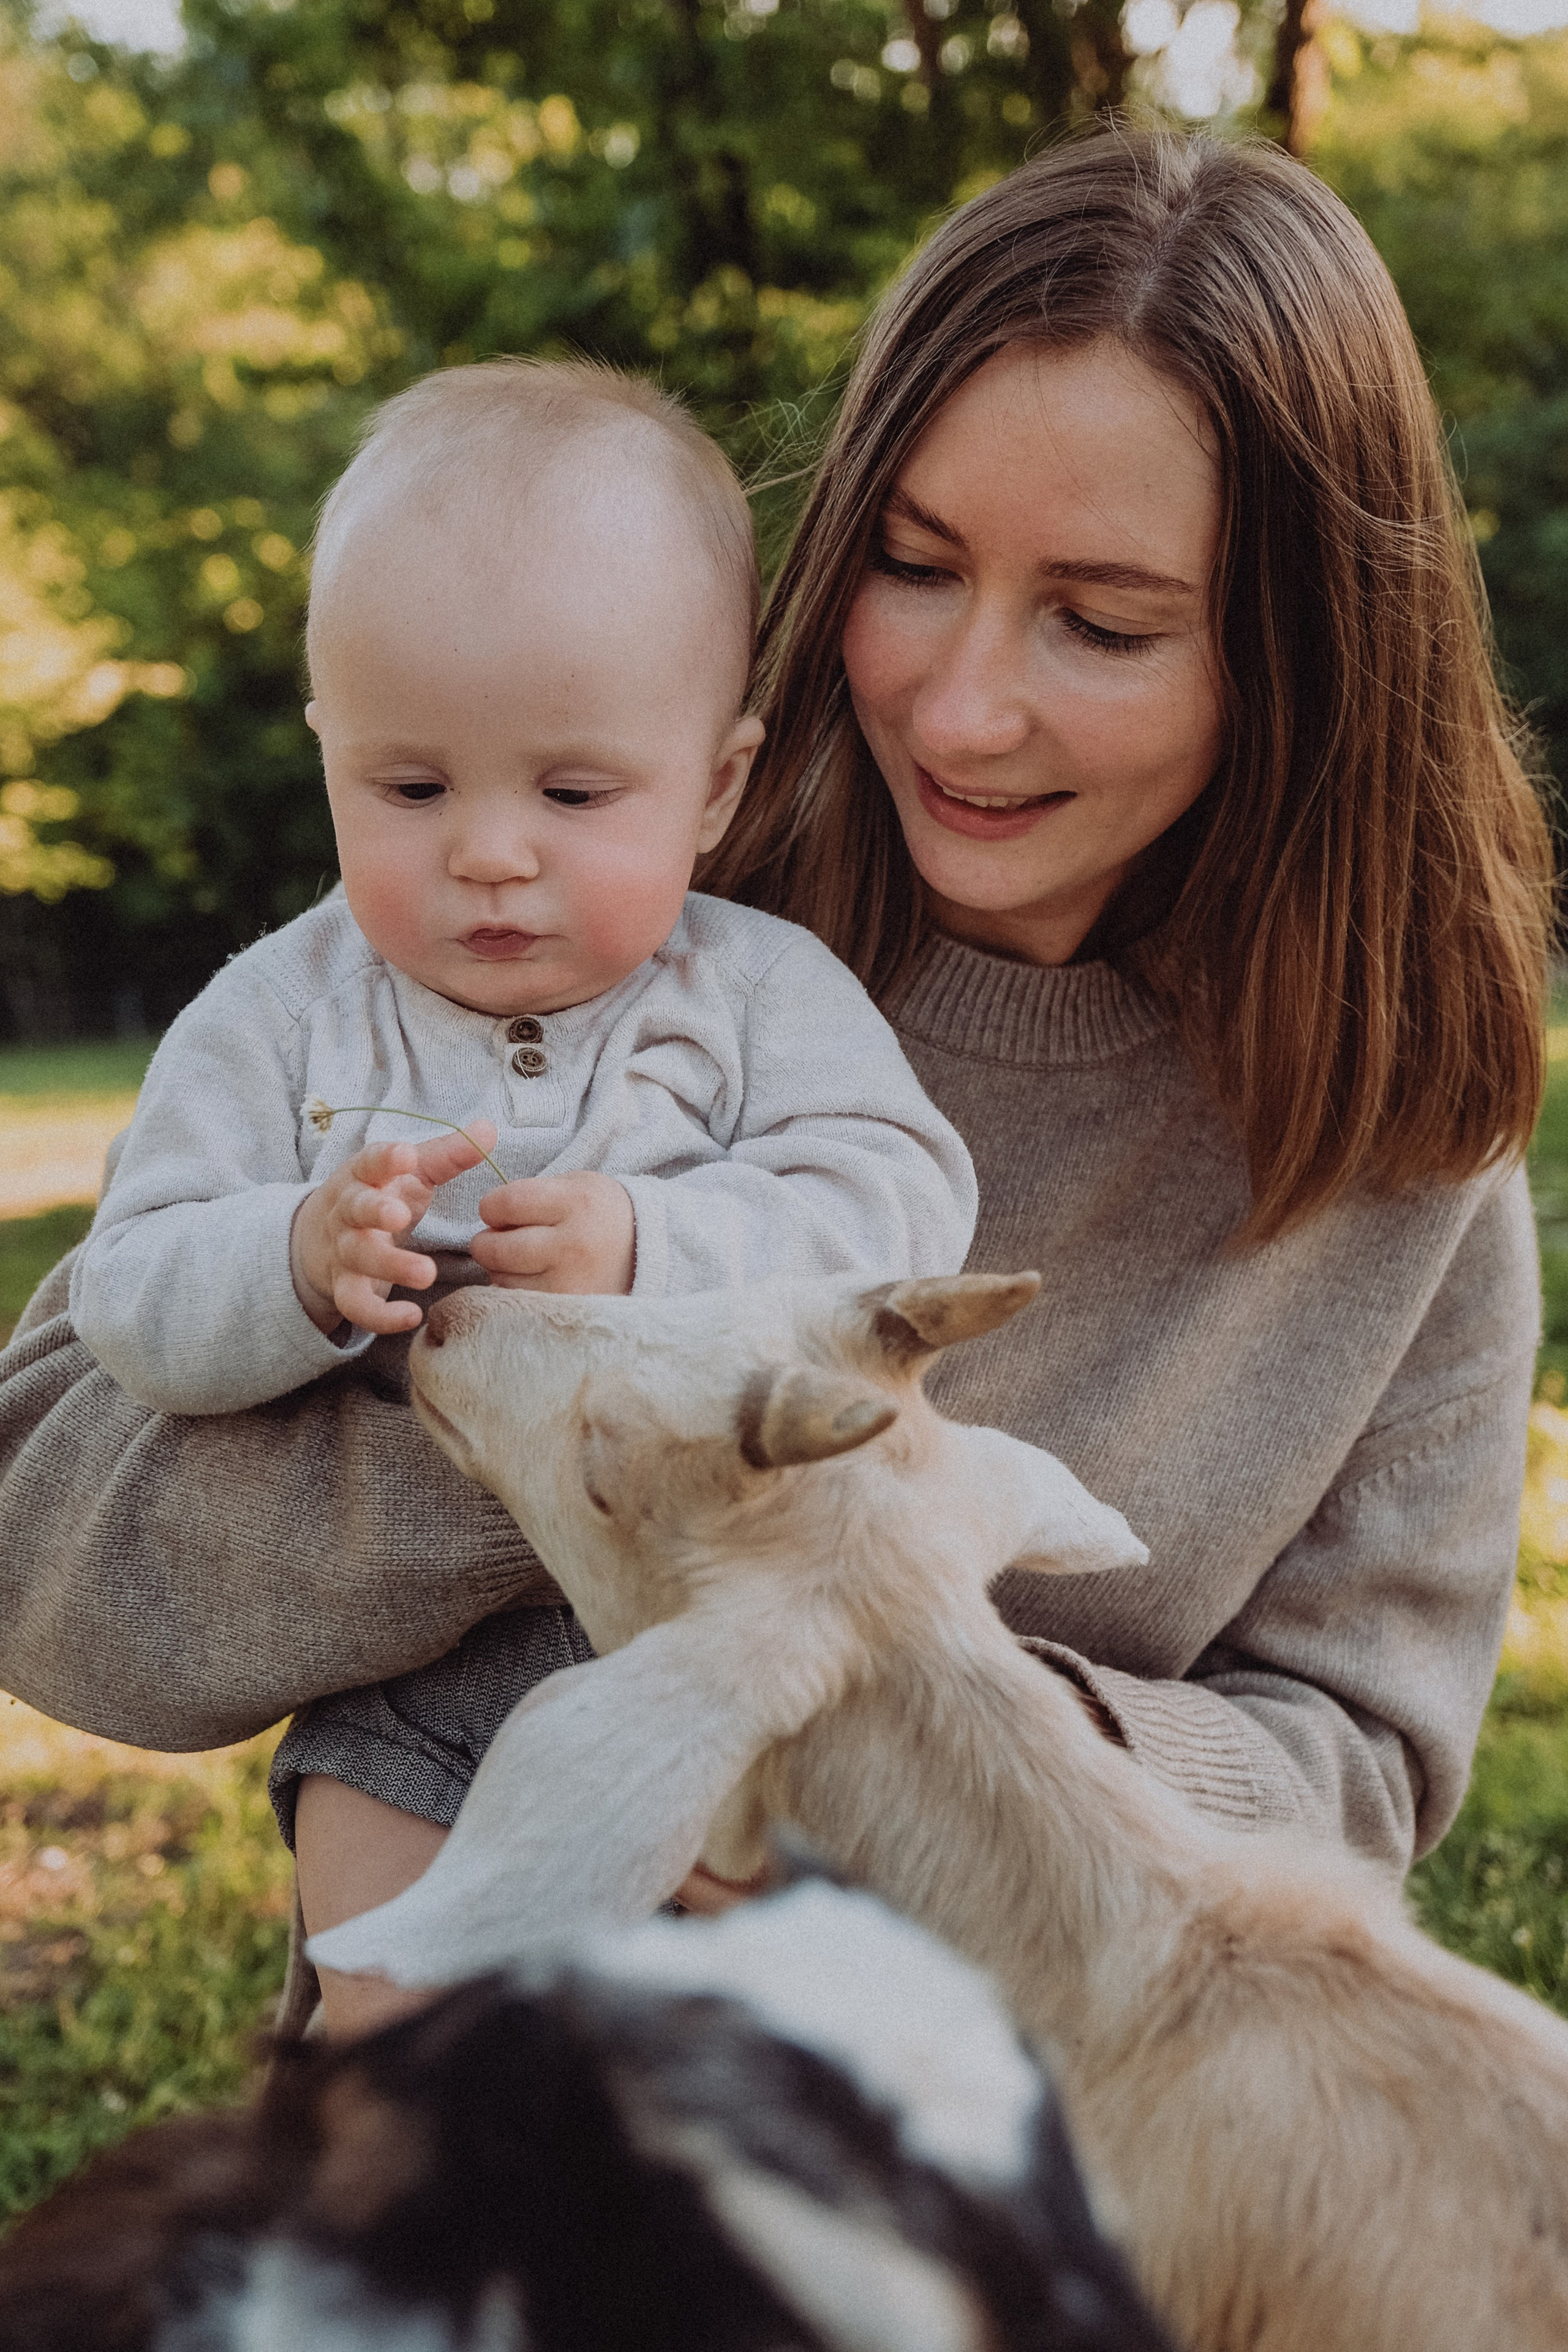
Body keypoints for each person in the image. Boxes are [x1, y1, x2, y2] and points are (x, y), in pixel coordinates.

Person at [0, 129, 1547, 1996]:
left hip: (965, 2050)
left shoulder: (1403, 1145)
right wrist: (571, 1430)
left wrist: (961, 1768)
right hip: (492, 2015)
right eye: (913, 563)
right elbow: (44, 1521)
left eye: (1103, 621)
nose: (962, 708)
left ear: (1300, 657)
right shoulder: (607, 906)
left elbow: (1361, 1762)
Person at [62, 357, 977, 2028]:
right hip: (409, 1681)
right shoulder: (279, 1016)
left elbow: (903, 1196)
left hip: (728, 1646)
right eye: (411, 789)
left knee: (750, 2035)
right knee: (397, 2018)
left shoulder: (754, 989)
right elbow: (128, 1290)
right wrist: (293, 1259)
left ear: (716, 786)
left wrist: (657, 1244)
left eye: (572, 794)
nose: (490, 852)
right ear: (330, 754)